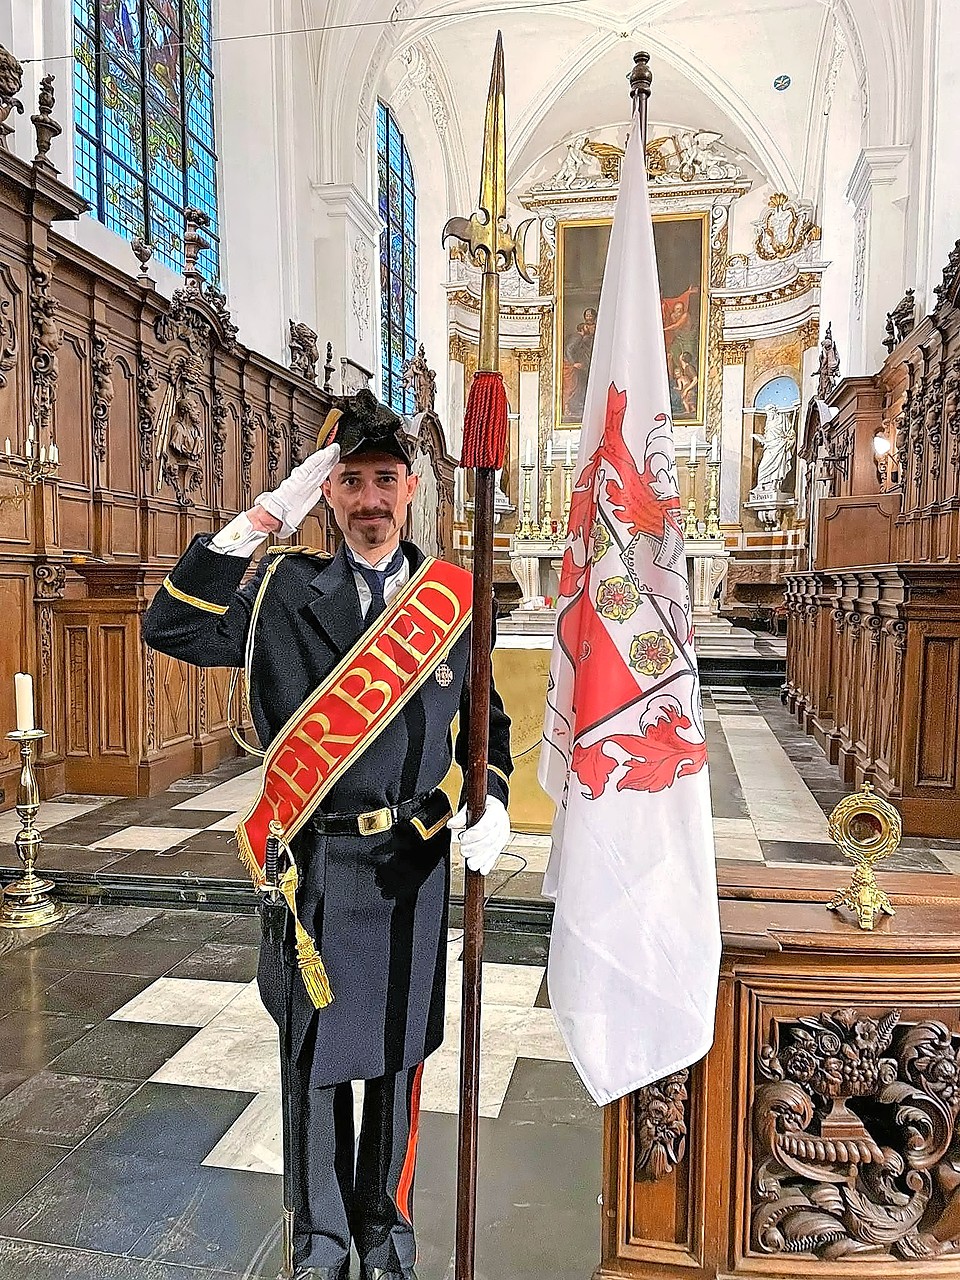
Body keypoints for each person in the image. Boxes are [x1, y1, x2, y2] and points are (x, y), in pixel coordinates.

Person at [142, 389, 513, 1280]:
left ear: (413, 487)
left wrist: (491, 798)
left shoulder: (452, 600)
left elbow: (485, 723)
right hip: (313, 863)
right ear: (329, 493)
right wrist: (270, 512)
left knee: (397, 1056)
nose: (371, 499)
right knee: (311, 1059)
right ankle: (319, 1239)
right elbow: (173, 625)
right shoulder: (277, 590)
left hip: (410, 863)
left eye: (385, 479)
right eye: (350, 482)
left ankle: (385, 1231)